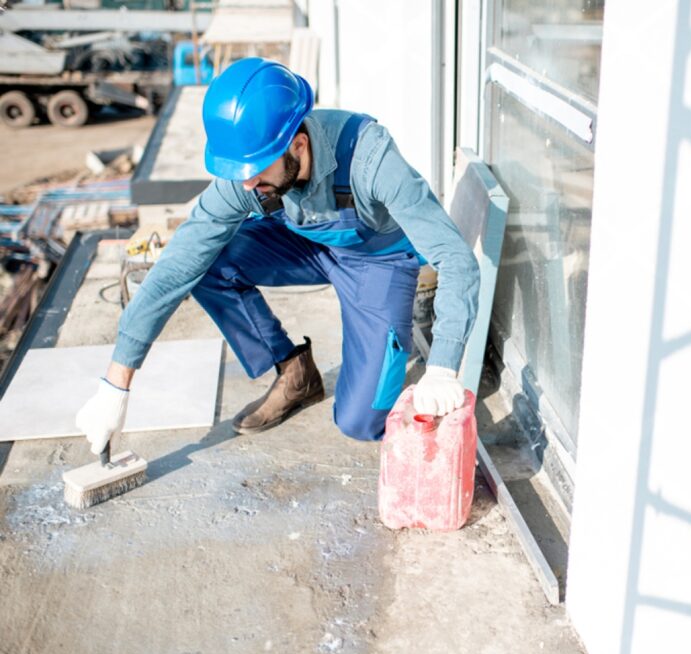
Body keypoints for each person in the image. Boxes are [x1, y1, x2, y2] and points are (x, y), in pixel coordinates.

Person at [74, 57, 479, 454]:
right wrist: (116, 383)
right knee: (208, 259)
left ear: (298, 145)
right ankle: (293, 372)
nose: (247, 180)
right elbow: (179, 262)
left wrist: (442, 366)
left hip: (376, 261)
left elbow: (456, 258)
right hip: (303, 245)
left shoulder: (371, 160)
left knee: (361, 422)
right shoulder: (248, 178)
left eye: (255, 168)